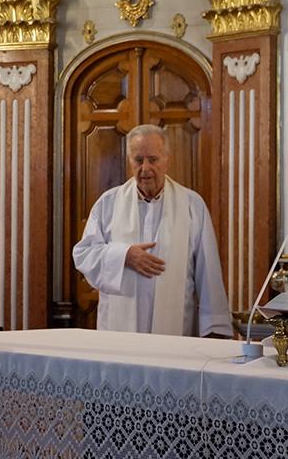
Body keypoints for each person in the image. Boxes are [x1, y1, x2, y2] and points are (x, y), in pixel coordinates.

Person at [73, 124, 231, 337]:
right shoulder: (108, 203)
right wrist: (123, 255)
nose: (145, 168)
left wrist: (214, 328)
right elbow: (83, 254)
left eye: (153, 159)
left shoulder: (192, 205)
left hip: (175, 333)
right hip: (119, 335)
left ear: (167, 160)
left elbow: (208, 271)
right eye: (138, 160)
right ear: (130, 161)